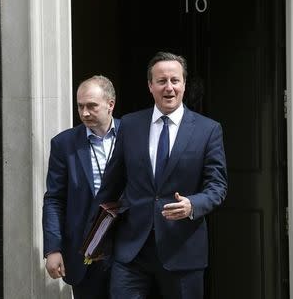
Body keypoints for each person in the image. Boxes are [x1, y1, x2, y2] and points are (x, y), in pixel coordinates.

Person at [95, 51, 228, 298]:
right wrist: (93, 239)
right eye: (161, 81)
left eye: (175, 80)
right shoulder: (130, 125)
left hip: (183, 251)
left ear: (184, 84)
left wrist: (193, 205)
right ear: (150, 86)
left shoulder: (208, 130)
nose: (169, 87)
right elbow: (110, 186)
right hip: (132, 251)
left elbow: (217, 187)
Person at [42, 75, 119, 299]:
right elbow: (54, 199)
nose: (84, 112)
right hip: (83, 251)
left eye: (92, 106)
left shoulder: (132, 135)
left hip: (127, 249)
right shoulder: (63, 144)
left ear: (110, 104)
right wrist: (53, 249)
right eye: (80, 106)